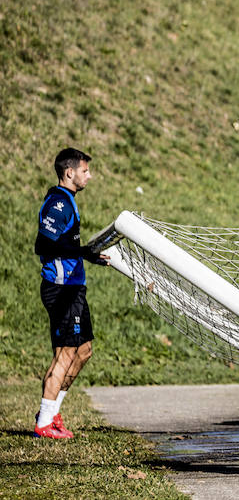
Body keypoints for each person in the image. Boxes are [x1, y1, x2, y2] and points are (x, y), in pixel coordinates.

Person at [33, 148, 109, 439]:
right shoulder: (58, 204)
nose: (89, 175)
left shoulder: (69, 201)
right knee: (65, 354)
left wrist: (86, 256)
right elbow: (43, 245)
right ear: (70, 172)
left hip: (75, 287)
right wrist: (83, 254)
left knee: (84, 350)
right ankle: (43, 424)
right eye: (85, 170)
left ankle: (50, 414)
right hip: (61, 289)